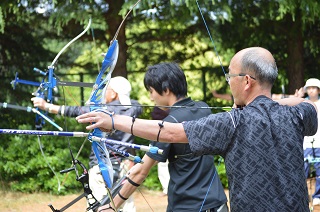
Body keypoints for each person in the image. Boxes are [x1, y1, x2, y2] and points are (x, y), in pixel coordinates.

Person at [76, 47, 318, 212]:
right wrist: (264, 104)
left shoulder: (232, 122)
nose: (228, 81)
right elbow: (307, 104)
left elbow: (170, 132)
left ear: (246, 81)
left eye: (230, 76)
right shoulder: (298, 114)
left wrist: (113, 121)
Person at [94, 62, 228, 211]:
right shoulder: (204, 108)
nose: (151, 98)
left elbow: (140, 172)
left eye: (151, 91)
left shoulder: (169, 125)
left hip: (188, 207)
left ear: (166, 89)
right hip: (218, 204)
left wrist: (112, 206)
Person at [32, 76, 141, 212]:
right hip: (127, 166)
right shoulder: (135, 108)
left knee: (99, 207)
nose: (103, 94)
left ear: (114, 93)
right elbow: (131, 105)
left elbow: (76, 111)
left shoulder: (103, 112)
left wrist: (46, 106)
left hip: (102, 167)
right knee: (126, 206)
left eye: (106, 90)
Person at [301, 78, 320, 205]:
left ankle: (317, 195)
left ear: (318, 90)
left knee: (318, 171)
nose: (311, 90)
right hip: (306, 142)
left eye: (314, 88)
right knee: (305, 170)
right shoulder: (302, 103)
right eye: (309, 88)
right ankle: (304, 195)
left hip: (319, 143)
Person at [151, 106, 170, 196]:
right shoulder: (157, 109)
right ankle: (166, 189)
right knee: (162, 165)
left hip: (168, 135)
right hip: (158, 136)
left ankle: (168, 189)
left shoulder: (171, 113)